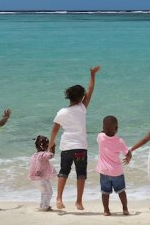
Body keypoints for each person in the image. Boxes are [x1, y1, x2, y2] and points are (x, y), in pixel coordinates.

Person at [48, 65, 100, 210]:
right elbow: (90, 90)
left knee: (63, 172)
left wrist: (50, 146)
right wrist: (92, 75)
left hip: (66, 147)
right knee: (81, 174)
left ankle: (59, 199)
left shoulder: (62, 112)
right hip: (80, 148)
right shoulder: (82, 108)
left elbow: (54, 131)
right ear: (81, 98)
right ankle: (78, 202)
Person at [96, 115, 132, 216]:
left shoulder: (100, 137)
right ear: (116, 128)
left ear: (103, 128)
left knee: (105, 193)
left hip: (104, 171)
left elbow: (102, 132)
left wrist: (104, 129)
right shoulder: (119, 141)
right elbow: (127, 153)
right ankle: (125, 209)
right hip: (117, 172)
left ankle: (106, 210)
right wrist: (129, 157)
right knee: (121, 191)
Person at [29, 135, 56, 211]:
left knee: (44, 192)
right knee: (48, 192)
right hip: (41, 178)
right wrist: (53, 146)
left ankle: (42, 205)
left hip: (34, 178)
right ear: (45, 146)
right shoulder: (43, 154)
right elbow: (51, 155)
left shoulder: (34, 155)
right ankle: (44, 207)